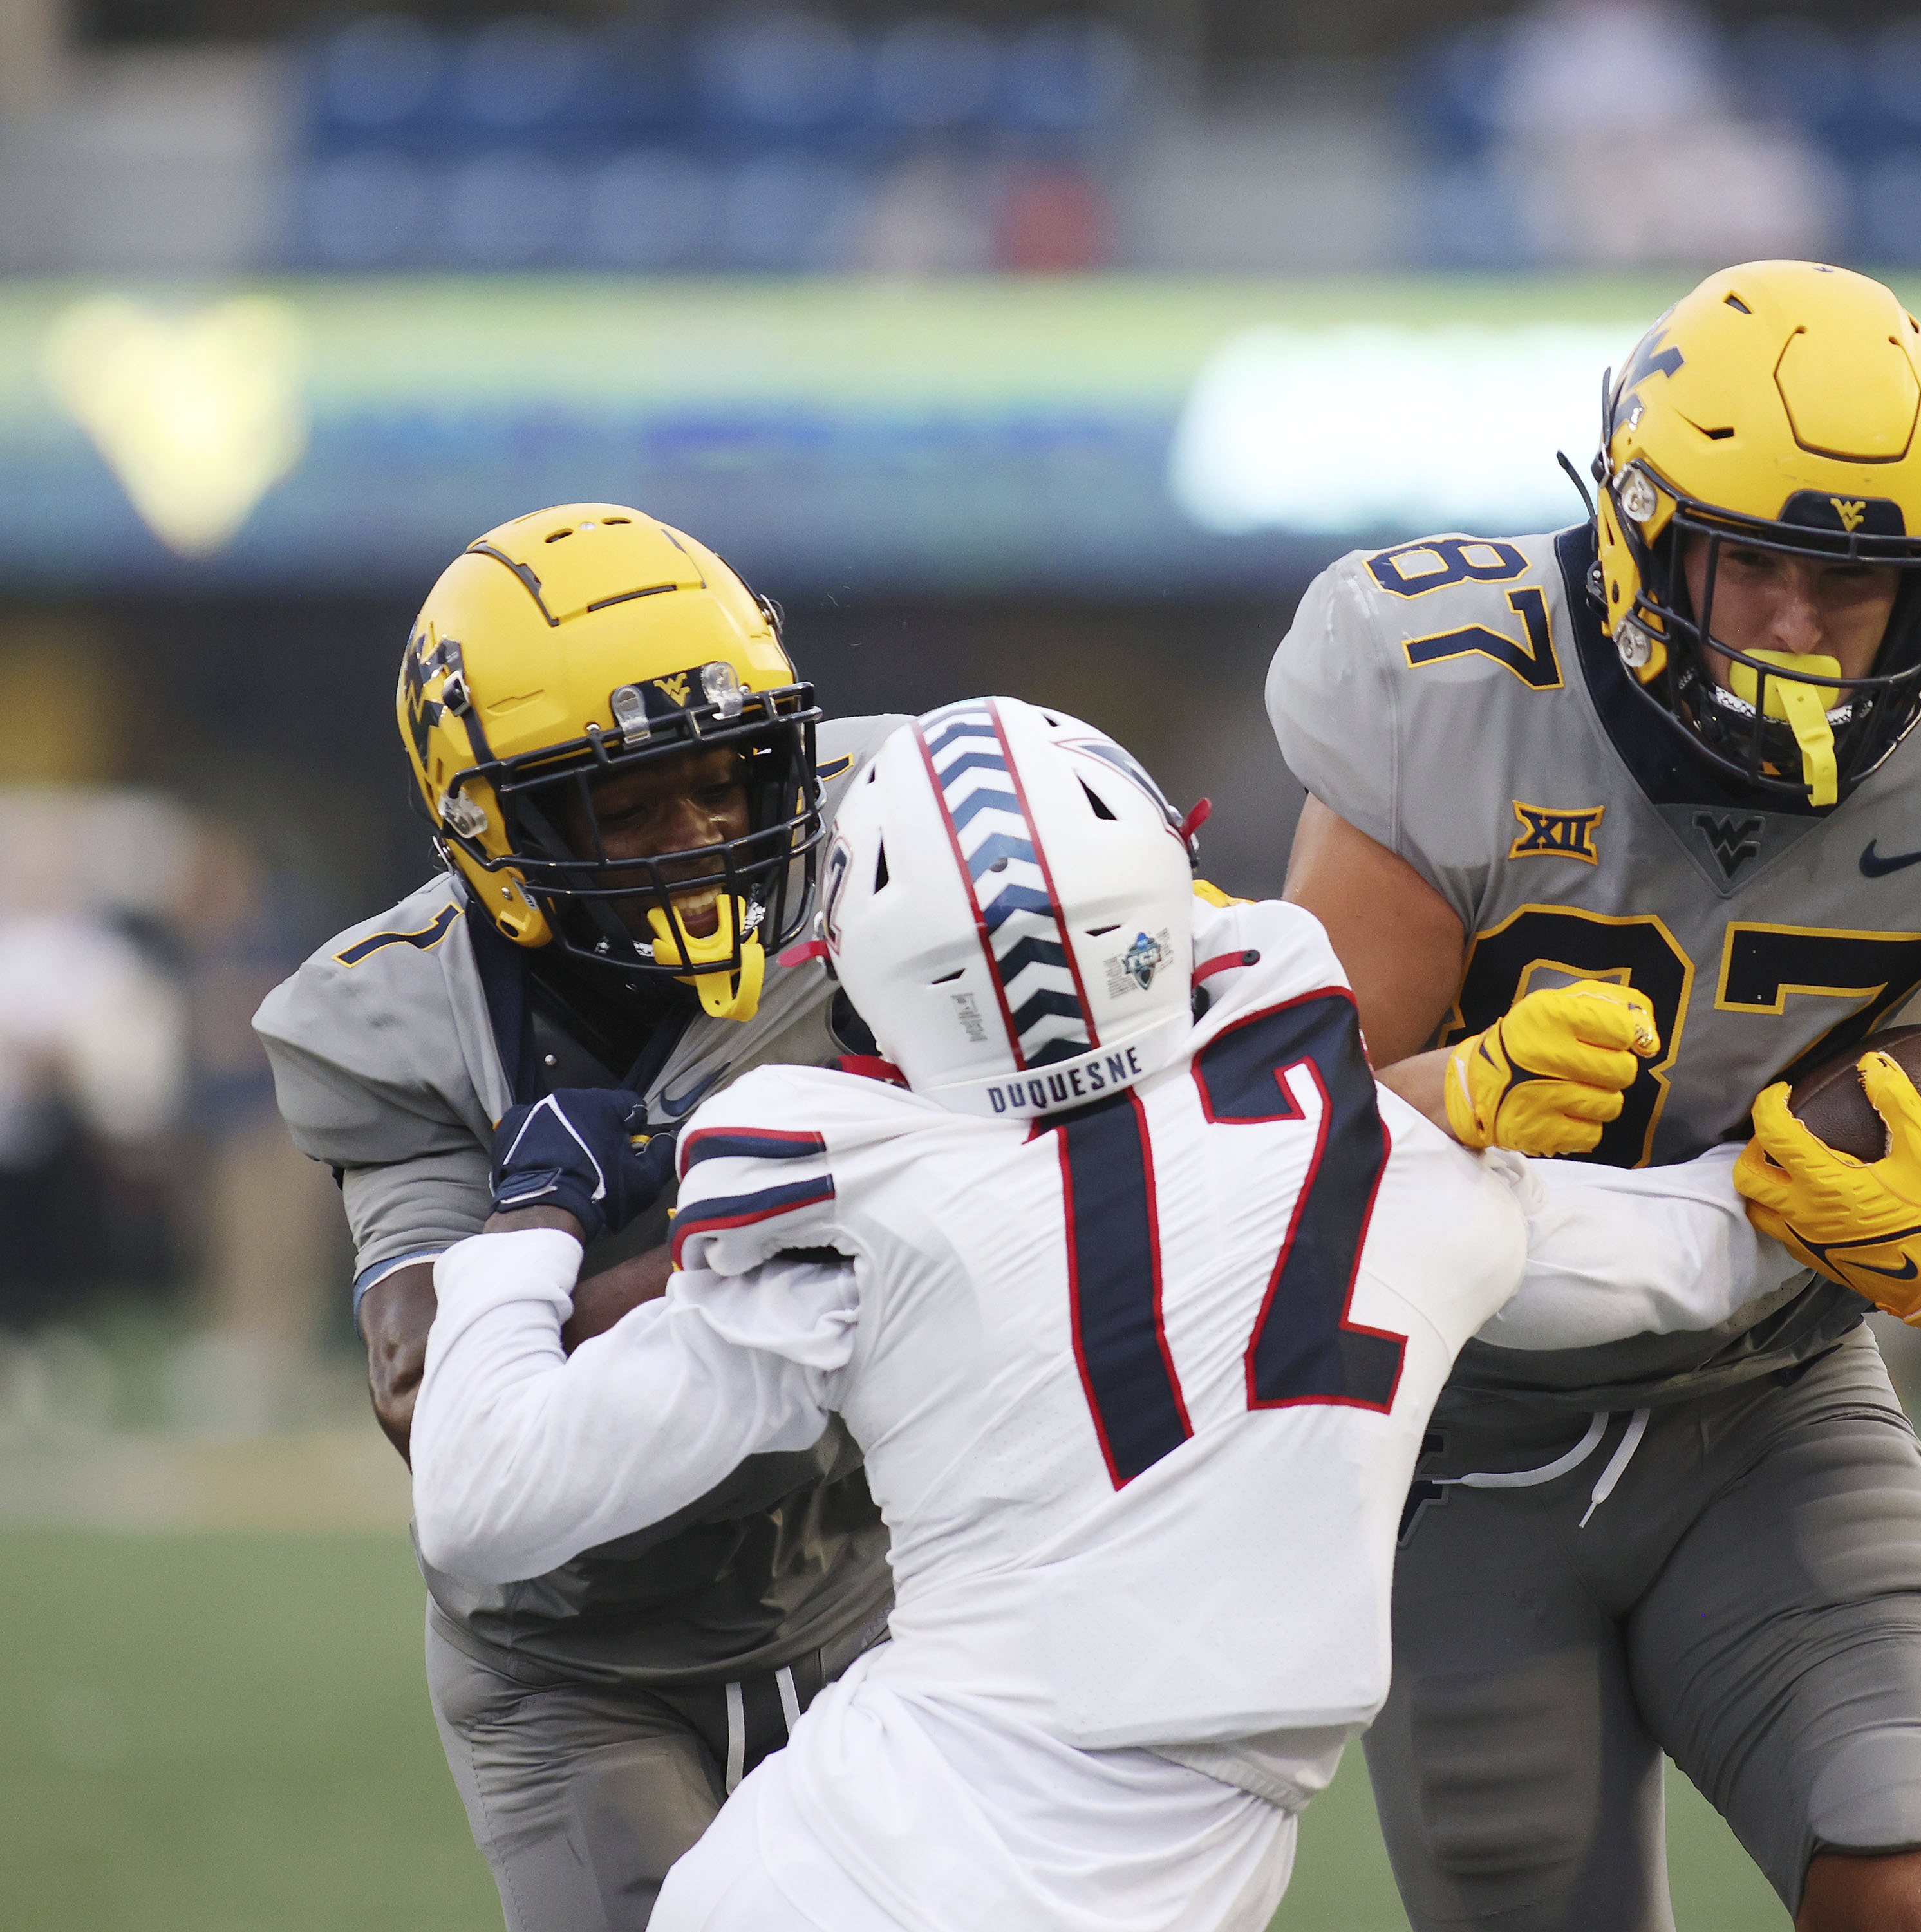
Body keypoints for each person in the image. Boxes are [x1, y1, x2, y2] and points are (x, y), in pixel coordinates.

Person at [403, 696, 1811, 1931]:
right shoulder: (1384, 1168)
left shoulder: (867, 1216)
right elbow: (1696, 1255)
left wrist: (526, 1225)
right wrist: (1859, 1177)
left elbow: (481, 1495)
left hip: (852, 1858)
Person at [1268, 259, 1921, 1930]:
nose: (1797, 627)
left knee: (1918, 1890)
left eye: (1850, 585)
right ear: (1648, 533)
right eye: (1757, 568)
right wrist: (1455, 1086)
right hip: (1466, 1432)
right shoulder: (1442, 689)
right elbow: (1257, 1155)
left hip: (1769, 1401)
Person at [253, 504, 909, 1932]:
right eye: (630, 803)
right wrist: (759, 1227)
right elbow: (439, 1403)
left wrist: (605, 1256)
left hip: (878, 1586)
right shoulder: (391, 1015)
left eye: (727, 780)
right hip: (579, 1658)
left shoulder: (894, 840)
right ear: (501, 830)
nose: (702, 834)